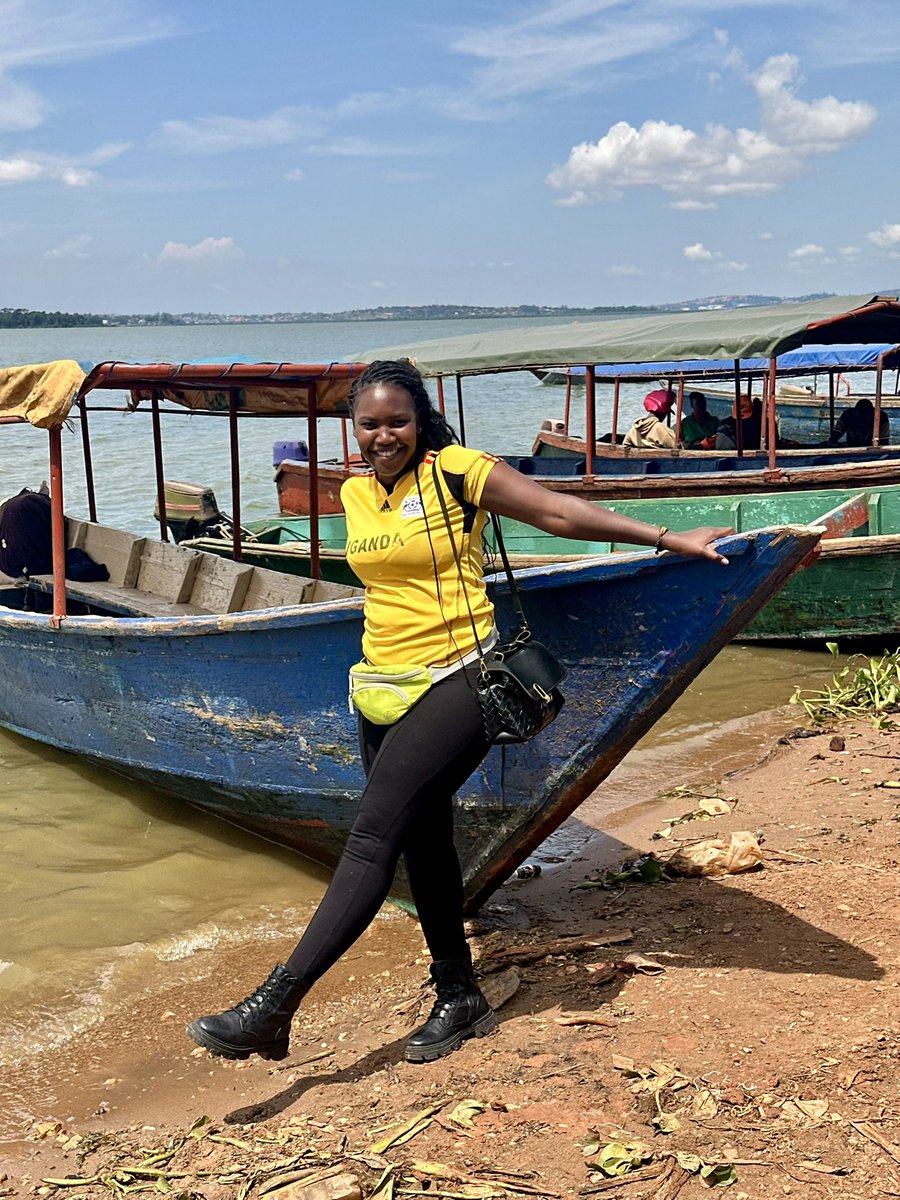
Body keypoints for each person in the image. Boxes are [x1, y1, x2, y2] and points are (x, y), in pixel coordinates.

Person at [186, 359, 732, 1066]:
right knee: (424, 841)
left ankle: (274, 1007)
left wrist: (666, 538)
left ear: (421, 420)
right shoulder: (355, 493)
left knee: (370, 841)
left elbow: (557, 512)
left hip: (460, 677)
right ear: (356, 430)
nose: (384, 436)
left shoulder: (458, 471)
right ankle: (459, 994)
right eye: (370, 425)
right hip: (380, 685)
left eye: (397, 421)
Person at [826, 397, 890, 447]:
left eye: (866, 413)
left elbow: (884, 442)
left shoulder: (881, 417)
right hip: (852, 445)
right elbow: (836, 434)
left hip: (871, 447)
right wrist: (832, 442)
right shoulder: (848, 416)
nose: (863, 416)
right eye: (861, 413)